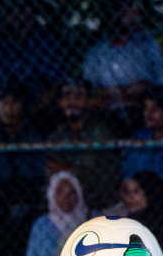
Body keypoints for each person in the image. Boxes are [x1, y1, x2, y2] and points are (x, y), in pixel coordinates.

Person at [82, 0, 163, 128]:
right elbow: (92, 90)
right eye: (118, 12)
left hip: (138, 109)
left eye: (131, 13)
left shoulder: (145, 44)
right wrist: (122, 94)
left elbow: (145, 86)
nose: (124, 17)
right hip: (104, 112)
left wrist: (111, 93)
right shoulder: (96, 51)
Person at [13, 170, 87, 256]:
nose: (66, 198)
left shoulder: (91, 220)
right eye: (60, 192)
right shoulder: (42, 226)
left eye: (72, 192)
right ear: (51, 195)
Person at [45, 80, 120, 210]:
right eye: (66, 95)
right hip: (68, 203)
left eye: (79, 96)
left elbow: (87, 171)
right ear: (59, 102)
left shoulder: (100, 130)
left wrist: (63, 169)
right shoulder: (58, 134)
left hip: (101, 202)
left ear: (89, 101)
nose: (72, 101)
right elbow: (50, 168)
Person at [0, 87, 46, 212]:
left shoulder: (34, 136)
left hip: (28, 197)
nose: (8, 108)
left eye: (14, 102)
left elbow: (36, 172)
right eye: (3, 103)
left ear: (22, 105)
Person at [121, 87, 163, 201]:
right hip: (139, 200)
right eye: (146, 108)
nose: (148, 114)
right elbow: (128, 176)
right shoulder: (139, 138)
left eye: (155, 109)